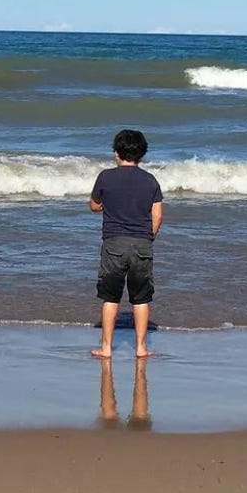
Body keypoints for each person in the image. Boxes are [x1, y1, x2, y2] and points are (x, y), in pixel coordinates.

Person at [88, 128, 163, 358]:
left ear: (116, 153)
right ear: (142, 155)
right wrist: (148, 237)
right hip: (141, 243)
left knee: (110, 296)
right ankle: (141, 348)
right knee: (141, 298)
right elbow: (157, 215)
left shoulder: (105, 176)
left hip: (114, 243)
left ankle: (106, 348)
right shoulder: (151, 180)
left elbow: (93, 204)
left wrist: (104, 206)